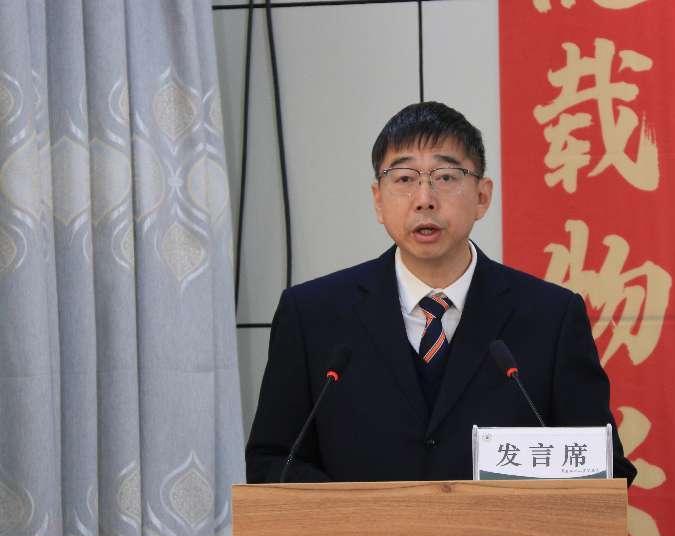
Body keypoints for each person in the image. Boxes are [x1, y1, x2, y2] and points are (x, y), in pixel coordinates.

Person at [245, 102, 637, 484]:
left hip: (501, 532)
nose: (424, 199)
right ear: (378, 200)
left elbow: (603, 471)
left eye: (446, 177)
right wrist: (361, 515)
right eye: (404, 179)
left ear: (482, 196)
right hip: (359, 532)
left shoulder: (551, 317)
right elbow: (271, 462)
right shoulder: (312, 316)